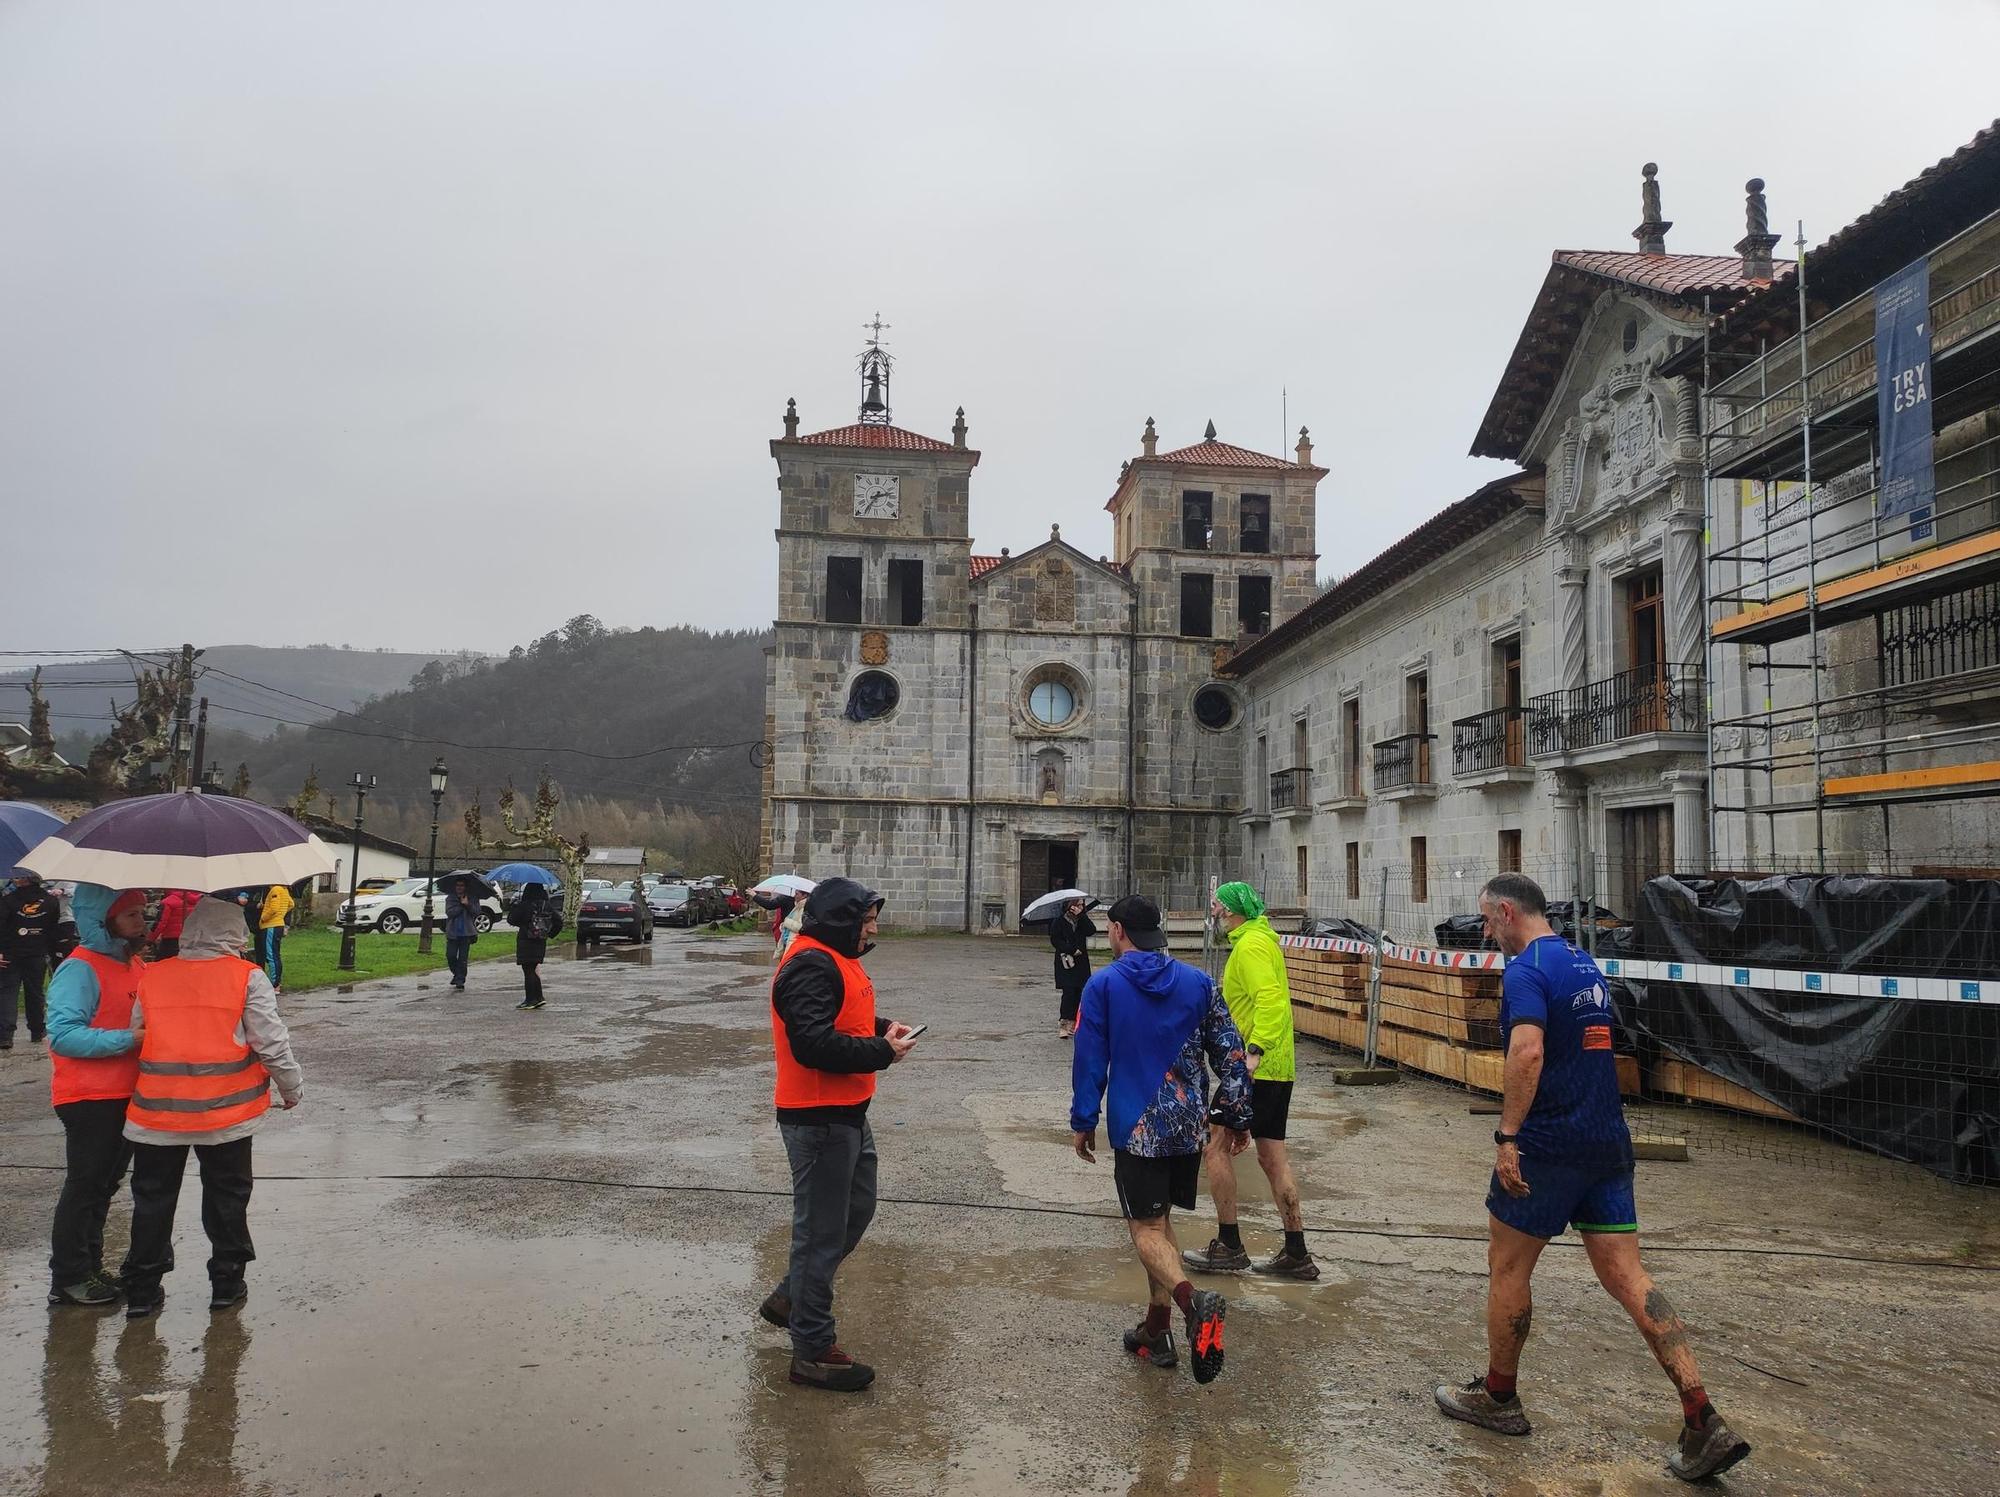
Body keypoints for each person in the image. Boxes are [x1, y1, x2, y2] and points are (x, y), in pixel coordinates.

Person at [1432, 873, 1751, 1482]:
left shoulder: (1527, 970)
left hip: (1548, 1146)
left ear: (1507, 911)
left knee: (1507, 1267)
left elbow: (1527, 1052)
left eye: (1488, 921)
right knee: (1631, 1278)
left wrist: (1507, 1138)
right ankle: (1702, 1414)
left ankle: (1499, 1398)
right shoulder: (1585, 964)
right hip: (1607, 1140)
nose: (1487, 933)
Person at [1070, 894, 1251, 1385]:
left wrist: (1083, 1119)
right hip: (1187, 1126)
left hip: (1138, 1126)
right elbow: (1231, 1054)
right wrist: (1236, 1115)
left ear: (1118, 930)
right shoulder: (1199, 982)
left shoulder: (1102, 985)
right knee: (1161, 1222)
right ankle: (1156, 1329)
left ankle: (1193, 1303)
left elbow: (1090, 1058)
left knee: (1145, 1230)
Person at [758, 877, 919, 1392]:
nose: (872, 929)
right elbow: (811, 1042)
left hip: (847, 1112)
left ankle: (793, 1296)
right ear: (840, 920)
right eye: (865, 921)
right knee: (821, 1232)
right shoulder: (809, 962)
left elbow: (844, 1015)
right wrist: (882, 1054)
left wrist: (882, 1028)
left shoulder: (833, 957)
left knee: (856, 1209)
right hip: (818, 1117)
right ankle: (811, 1349)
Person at [122, 895, 303, 1318]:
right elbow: (270, 1042)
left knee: (152, 1198)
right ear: (235, 934)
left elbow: (137, 1032)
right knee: (226, 1196)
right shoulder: (246, 977)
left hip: (157, 1114)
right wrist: (290, 1087)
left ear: (188, 933)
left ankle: (143, 1289)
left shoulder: (153, 975)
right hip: (226, 1115)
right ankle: (226, 1282)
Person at [1183, 881, 1319, 1280]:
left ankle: (1229, 1244)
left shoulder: (1251, 945)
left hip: (1255, 1067)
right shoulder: (1259, 939)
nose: (1213, 913)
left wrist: (1254, 1052)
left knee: (1214, 1146)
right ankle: (1296, 1252)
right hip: (1275, 1067)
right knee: (1271, 1157)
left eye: (1216, 906)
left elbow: (1272, 999)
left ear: (1230, 910)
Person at [43, 884, 147, 1306]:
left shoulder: (134, 964)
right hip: (88, 1098)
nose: (143, 921)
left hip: (127, 1095)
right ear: (105, 923)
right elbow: (64, 1035)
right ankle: (68, 1277)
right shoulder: (80, 968)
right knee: (85, 1187)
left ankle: (91, 1265)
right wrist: (128, 1039)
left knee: (104, 1187)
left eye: (144, 912)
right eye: (132, 915)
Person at [2, 871, 64, 1049]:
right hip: (37, 951)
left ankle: (6, 1035)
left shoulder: (8, 901)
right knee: (35, 992)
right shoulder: (51, 901)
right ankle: (37, 1030)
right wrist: (52, 953)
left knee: (8, 992)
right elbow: (53, 929)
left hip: (10, 952)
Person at [1049, 897, 1095, 1039]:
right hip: (1066, 961)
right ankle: (1064, 1023)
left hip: (1081, 962)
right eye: (1078, 905)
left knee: (1080, 992)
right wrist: (1071, 949)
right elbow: (1055, 940)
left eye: (1082, 905)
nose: (1080, 907)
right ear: (1070, 906)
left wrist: (1081, 916)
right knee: (1068, 992)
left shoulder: (1082, 920)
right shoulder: (1059, 921)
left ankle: (1075, 1023)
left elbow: (1091, 930)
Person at [508, 883, 553, 1011]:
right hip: (540, 940)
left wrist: (515, 906)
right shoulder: (546, 905)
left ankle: (530, 999)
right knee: (533, 968)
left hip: (526, 940)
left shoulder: (525, 905)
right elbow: (558, 921)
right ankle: (538, 997)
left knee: (528, 970)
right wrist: (548, 933)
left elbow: (512, 920)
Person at [256, 881, 293, 993]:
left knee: (271, 955)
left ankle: (275, 984)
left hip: (271, 925)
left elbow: (274, 908)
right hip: (279, 925)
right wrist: (281, 913)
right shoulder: (284, 890)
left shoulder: (275, 889)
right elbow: (291, 904)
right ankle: (276, 982)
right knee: (275, 954)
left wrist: (264, 917)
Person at [443, 877, 479, 991]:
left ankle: (460, 980)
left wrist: (468, 904)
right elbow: (450, 913)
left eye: (462, 885)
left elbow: (477, 912)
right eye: (457, 885)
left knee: (463, 958)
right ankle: (457, 973)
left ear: (466, 887)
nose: (459, 888)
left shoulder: (472, 898)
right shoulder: (451, 898)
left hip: (466, 933)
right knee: (451, 955)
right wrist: (461, 905)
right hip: (453, 932)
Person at [148, 888, 198, 961]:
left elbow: (160, 923)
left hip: (170, 941)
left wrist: (150, 939)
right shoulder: (198, 902)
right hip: (191, 939)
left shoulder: (168, 902)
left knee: (163, 965)